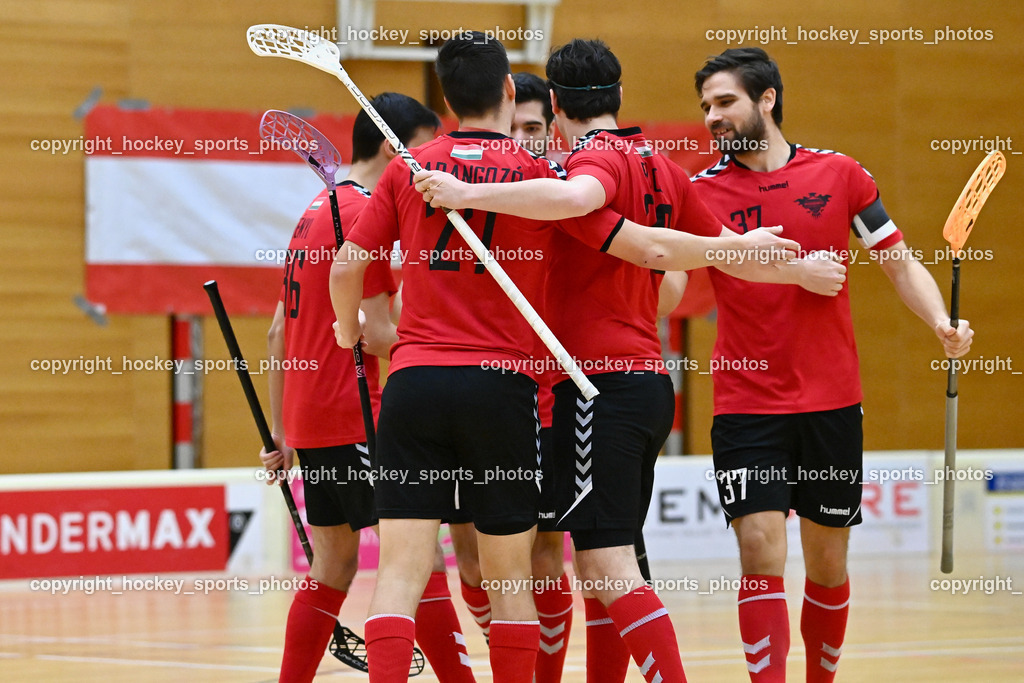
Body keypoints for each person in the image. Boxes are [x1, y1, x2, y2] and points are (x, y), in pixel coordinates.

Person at [332, 33, 796, 683]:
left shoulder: (437, 171)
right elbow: (654, 256)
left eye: (537, 122)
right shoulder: (545, 176)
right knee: (531, 568)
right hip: (523, 388)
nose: (529, 131)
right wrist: (763, 256)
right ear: (504, 94)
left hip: (467, 383)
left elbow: (351, 262)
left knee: (435, 570)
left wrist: (347, 329)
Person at [690, 47, 975, 682]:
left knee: (826, 562)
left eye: (726, 102)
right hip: (746, 403)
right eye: (706, 107)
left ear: (767, 100)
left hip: (831, 401)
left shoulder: (841, 174)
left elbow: (898, 260)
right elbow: (716, 259)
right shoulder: (701, 192)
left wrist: (939, 323)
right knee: (759, 547)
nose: (713, 117)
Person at [257, 93, 476, 683]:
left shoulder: (314, 209)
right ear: (392, 146)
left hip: (312, 417)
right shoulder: (363, 217)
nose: (431, 160)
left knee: (331, 567)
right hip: (358, 413)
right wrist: (450, 344)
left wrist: (284, 431)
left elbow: (279, 333)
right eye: (423, 145)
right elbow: (375, 333)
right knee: (421, 560)